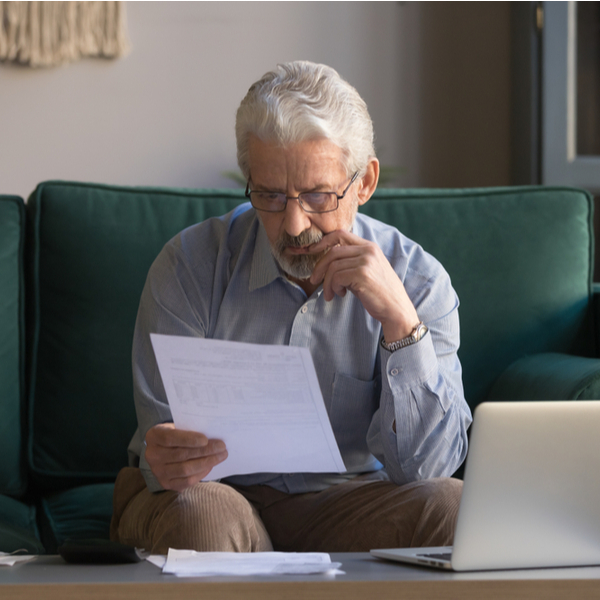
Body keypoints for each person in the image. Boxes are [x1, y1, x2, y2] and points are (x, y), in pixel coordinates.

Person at [110, 61, 472, 554]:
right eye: (271, 195)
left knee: (452, 508)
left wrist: (400, 325)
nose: (294, 223)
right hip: (205, 497)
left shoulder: (418, 280)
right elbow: (166, 449)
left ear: (363, 183)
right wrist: (169, 455)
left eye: (319, 196)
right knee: (207, 515)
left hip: (345, 503)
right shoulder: (190, 266)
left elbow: (427, 469)